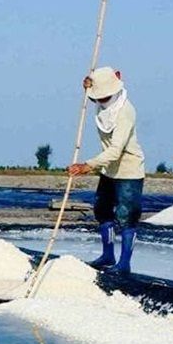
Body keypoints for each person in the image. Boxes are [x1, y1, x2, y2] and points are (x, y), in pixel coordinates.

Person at [68, 66, 145, 274]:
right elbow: (95, 97)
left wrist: (87, 166)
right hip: (109, 171)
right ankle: (108, 255)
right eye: (97, 98)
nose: (100, 101)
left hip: (128, 172)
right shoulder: (103, 105)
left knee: (126, 217)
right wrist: (87, 87)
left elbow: (115, 150)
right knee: (102, 210)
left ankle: (124, 263)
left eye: (103, 98)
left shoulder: (125, 112)